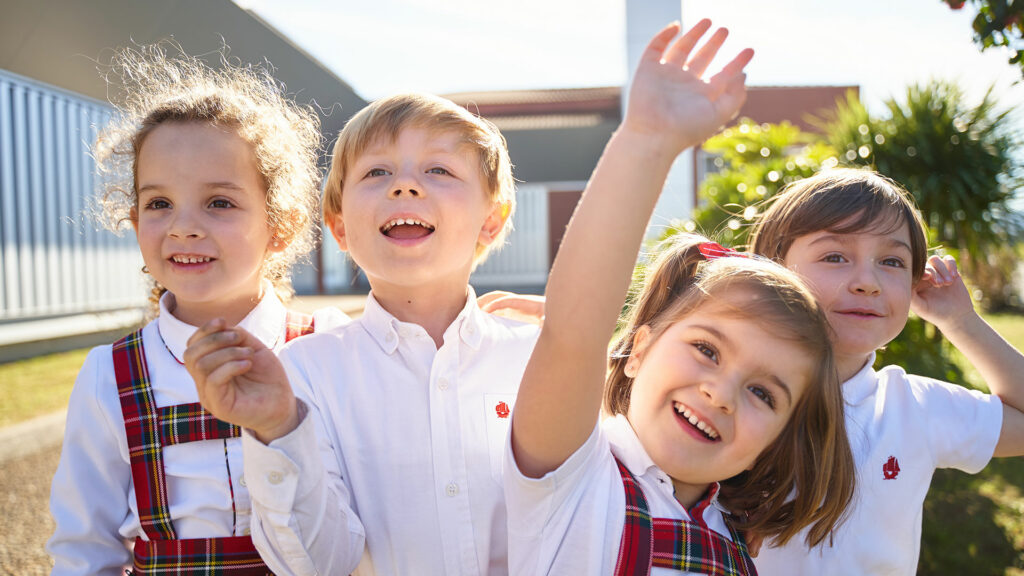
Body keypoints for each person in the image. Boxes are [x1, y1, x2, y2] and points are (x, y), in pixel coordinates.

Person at [504, 20, 855, 575]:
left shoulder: (737, 542)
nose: (720, 394)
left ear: (780, 439)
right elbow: (574, 333)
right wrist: (647, 140)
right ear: (636, 349)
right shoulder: (572, 475)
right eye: (707, 349)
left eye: (764, 393)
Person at [184, 90, 539, 575]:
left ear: (491, 221)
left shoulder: (538, 357)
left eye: (438, 170)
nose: (405, 187)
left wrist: (583, 351)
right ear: (339, 226)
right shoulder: (303, 373)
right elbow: (318, 564)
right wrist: (278, 429)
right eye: (377, 172)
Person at [45, 44, 346, 575]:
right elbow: (83, 547)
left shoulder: (331, 348)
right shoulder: (108, 376)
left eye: (219, 202)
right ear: (135, 223)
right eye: (159, 203)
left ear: (283, 225)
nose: (184, 226)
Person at [749, 168, 1024, 574]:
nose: (868, 282)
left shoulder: (916, 407)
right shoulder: (731, 395)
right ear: (771, 269)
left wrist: (961, 322)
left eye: (892, 261)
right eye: (835, 256)